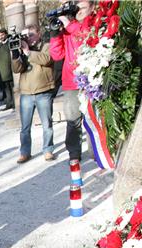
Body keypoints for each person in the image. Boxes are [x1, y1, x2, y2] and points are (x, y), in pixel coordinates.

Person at [49, 0, 96, 161]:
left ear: (92, 7)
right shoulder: (69, 27)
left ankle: (97, 152)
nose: (80, 11)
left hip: (93, 80)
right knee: (72, 120)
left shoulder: (93, 21)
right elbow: (57, 55)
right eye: (78, 9)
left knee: (94, 118)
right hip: (71, 82)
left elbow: (86, 35)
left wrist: (69, 24)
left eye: (83, 8)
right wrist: (55, 36)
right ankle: (74, 153)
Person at [12, 24, 56, 163]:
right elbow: (16, 69)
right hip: (26, 93)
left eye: (31, 35)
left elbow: (47, 59)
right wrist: (15, 55)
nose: (28, 38)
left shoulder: (46, 46)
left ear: (39, 34)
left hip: (44, 91)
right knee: (25, 127)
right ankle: (25, 152)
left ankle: (48, 150)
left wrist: (28, 52)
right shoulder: (23, 51)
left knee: (47, 124)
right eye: (26, 36)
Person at [0, 29, 15, 110]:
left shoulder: (10, 43)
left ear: (6, 34)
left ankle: (14, 102)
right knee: (6, 89)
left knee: (13, 87)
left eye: (2, 35)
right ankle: (9, 103)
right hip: (2, 71)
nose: (1, 37)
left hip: (11, 70)